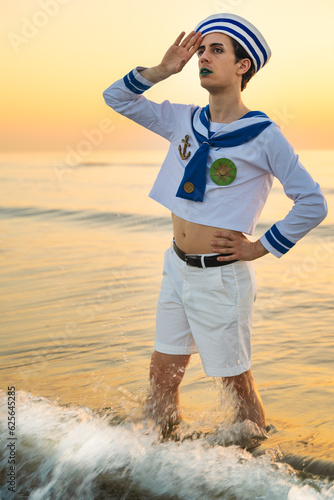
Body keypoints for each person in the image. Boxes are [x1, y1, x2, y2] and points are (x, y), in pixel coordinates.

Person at [103, 14, 327, 434]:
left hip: (221, 277)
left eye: (216, 50)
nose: (203, 57)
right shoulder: (183, 120)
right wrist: (161, 70)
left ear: (243, 67)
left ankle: (253, 477)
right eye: (201, 50)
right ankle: (158, 469)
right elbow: (116, 97)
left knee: (234, 385)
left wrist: (259, 248)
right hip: (176, 268)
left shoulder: (263, 135)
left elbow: (312, 202)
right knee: (162, 376)